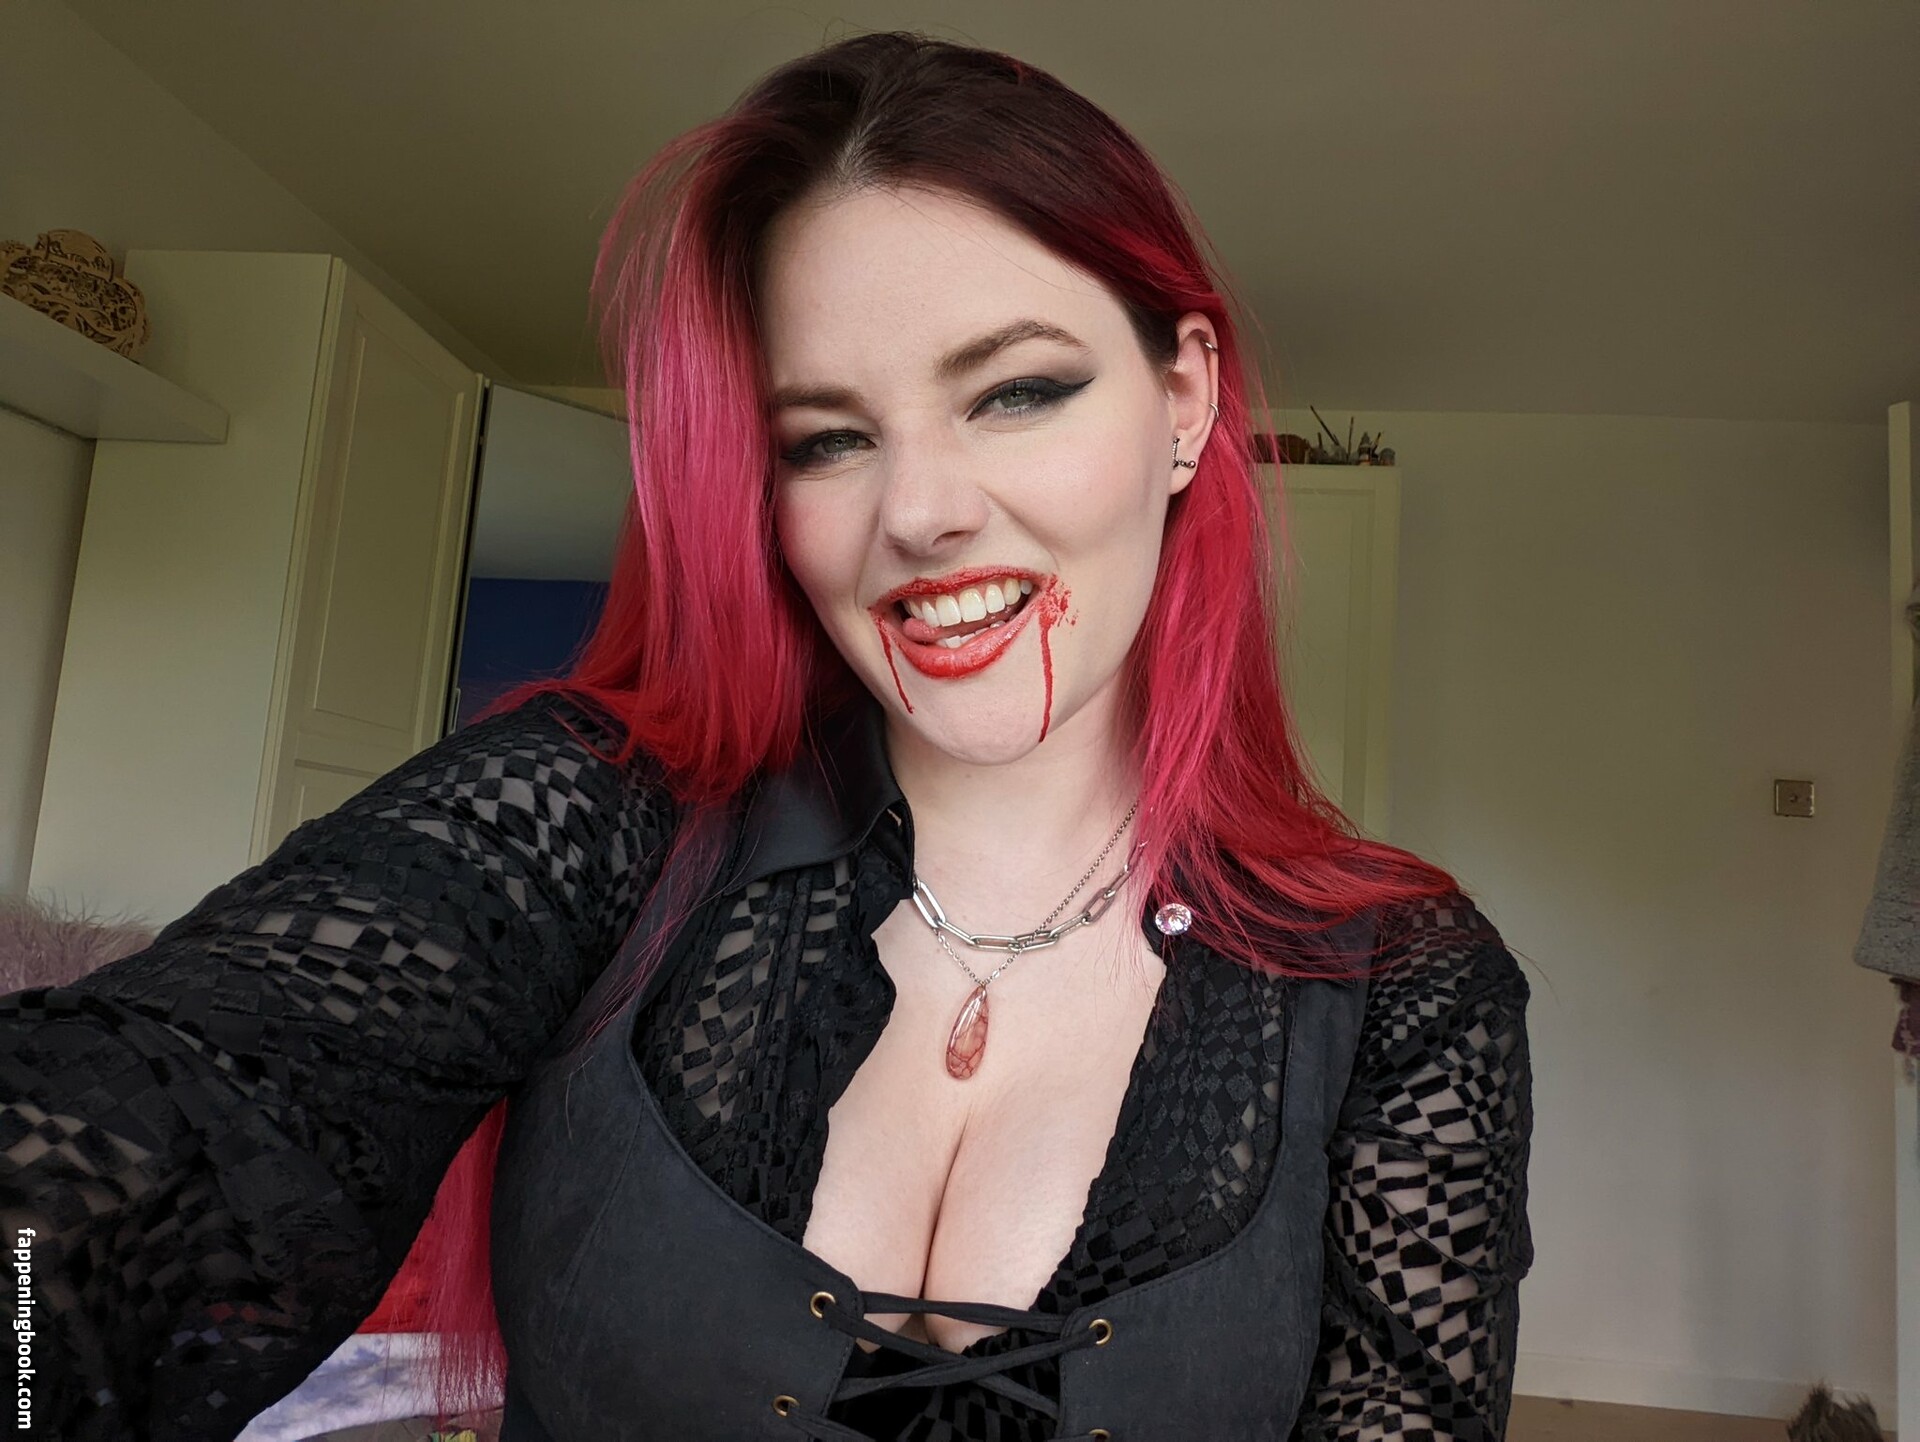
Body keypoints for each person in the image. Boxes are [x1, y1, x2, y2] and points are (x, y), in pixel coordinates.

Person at [0, 31, 1534, 1442]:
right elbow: (182, 1110)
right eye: (828, 437)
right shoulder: (592, 817)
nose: (917, 511)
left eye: (1014, 391)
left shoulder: (1405, 984)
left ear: (1185, 397)